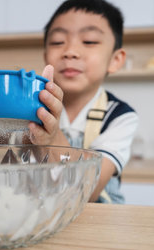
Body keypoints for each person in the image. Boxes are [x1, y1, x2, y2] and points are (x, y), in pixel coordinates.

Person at [28, 0, 139, 203]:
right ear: (46, 57)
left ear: (115, 60)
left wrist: (52, 139)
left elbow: (88, 189)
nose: (70, 51)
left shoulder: (119, 116)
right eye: (57, 42)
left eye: (89, 41)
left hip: (99, 221)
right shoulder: (29, 107)